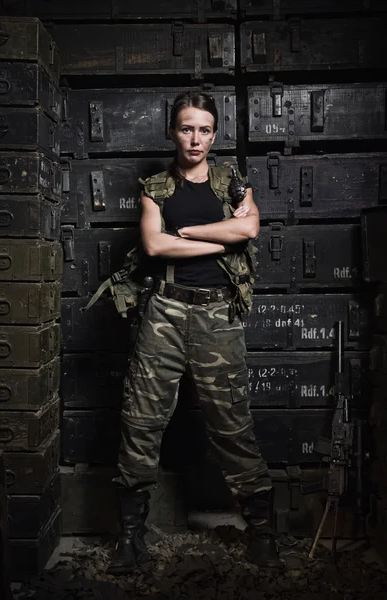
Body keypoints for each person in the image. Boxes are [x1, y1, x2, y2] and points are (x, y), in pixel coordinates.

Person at [107, 90, 282, 575]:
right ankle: (129, 536)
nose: (195, 138)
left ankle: (262, 533)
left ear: (214, 134)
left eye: (205, 129)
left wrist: (186, 233)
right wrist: (214, 233)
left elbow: (248, 231)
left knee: (232, 423)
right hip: (163, 311)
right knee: (141, 422)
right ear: (172, 132)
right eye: (186, 128)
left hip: (217, 315)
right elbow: (153, 245)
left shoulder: (231, 182)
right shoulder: (156, 187)